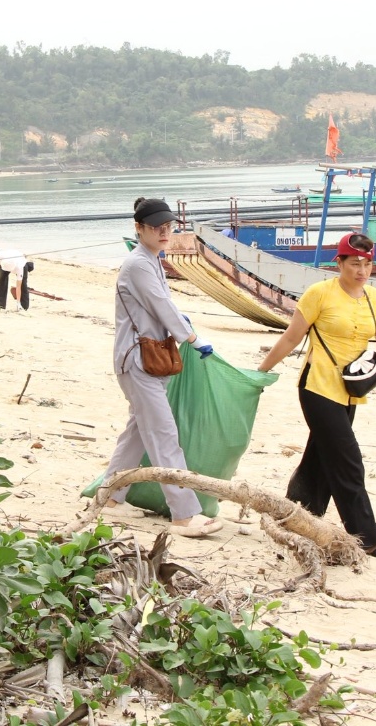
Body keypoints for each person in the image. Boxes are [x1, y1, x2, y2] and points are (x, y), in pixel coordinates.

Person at [255, 232, 376, 562]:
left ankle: (296, 516)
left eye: (367, 264)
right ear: (340, 263)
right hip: (317, 387)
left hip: (350, 390)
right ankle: (368, 538)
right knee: (347, 460)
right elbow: (291, 338)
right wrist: (261, 372)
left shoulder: (374, 298)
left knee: (320, 457)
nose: (362, 271)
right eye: (354, 263)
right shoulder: (320, 293)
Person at [102, 197, 223, 538]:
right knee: (163, 433)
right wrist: (193, 338)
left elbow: (161, 304)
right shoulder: (138, 264)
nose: (164, 232)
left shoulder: (151, 259)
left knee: (138, 432)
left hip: (147, 361)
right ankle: (184, 514)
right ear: (139, 228)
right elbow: (161, 306)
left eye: (167, 226)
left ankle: (109, 496)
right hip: (137, 360)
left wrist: (183, 323)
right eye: (156, 227)